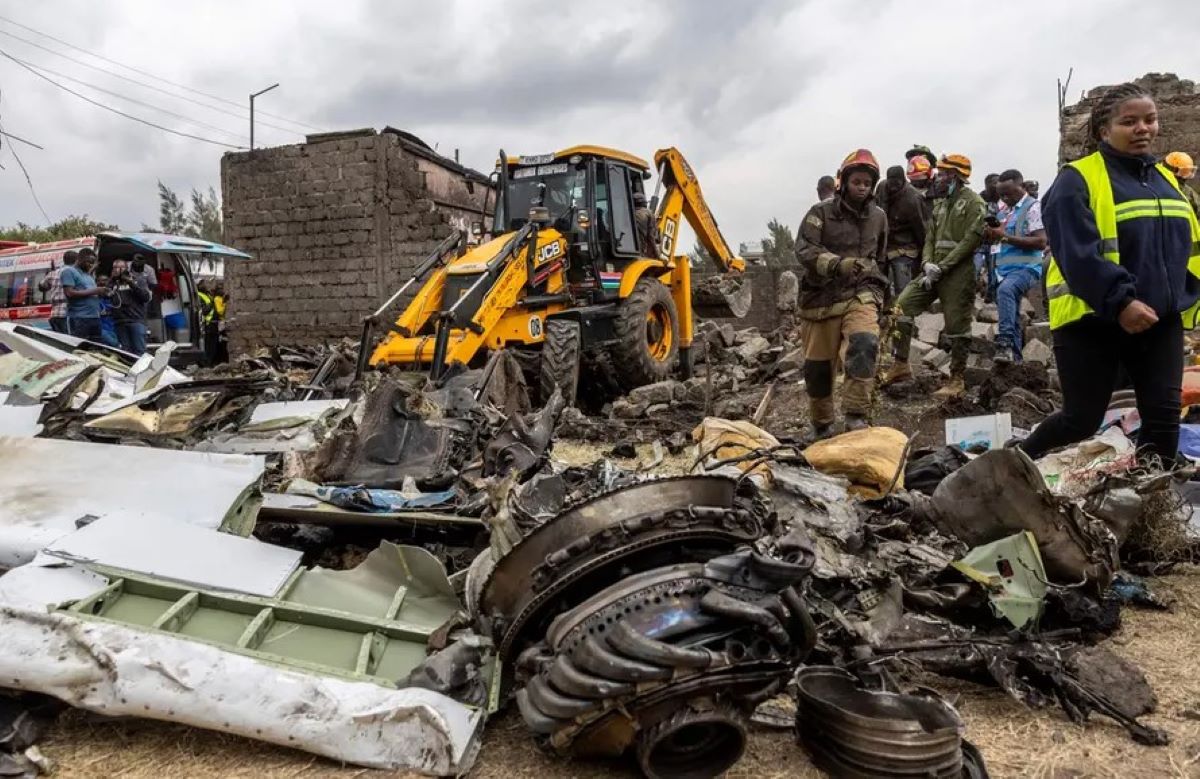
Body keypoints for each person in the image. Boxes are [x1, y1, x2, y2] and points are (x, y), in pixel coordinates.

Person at [1017, 83, 1200, 465]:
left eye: (1150, 120)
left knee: (1163, 417)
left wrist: (1186, 295)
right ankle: (1012, 462)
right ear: (1104, 130)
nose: (1143, 129)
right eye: (1129, 122)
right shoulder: (1077, 179)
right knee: (1081, 419)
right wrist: (1121, 302)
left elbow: (1188, 245)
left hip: (1160, 319)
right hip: (1094, 320)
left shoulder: (1166, 181)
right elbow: (1076, 253)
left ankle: (1150, 493)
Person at [794, 149, 888, 440]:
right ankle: (822, 425)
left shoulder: (879, 217)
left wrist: (886, 299)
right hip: (820, 299)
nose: (862, 187)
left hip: (861, 293)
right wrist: (837, 264)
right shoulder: (820, 213)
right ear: (844, 182)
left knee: (864, 343)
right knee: (818, 369)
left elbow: (881, 258)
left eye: (867, 183)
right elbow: (804, 250)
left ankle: (856, 416)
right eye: (857, 181)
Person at [884, 154, 986, 399]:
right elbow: (930, 236)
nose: (939, 178)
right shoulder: (940, 204)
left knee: (957, 325)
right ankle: (900, 364)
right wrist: (927, 263)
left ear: (956, 176)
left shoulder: (974, 203)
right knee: (901, 307)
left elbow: (970, 241)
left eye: (943, 174)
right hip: (932, 270)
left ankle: (956, 378)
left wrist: (944, 266)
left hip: (958, 273)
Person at [985, 169, 1047, 362]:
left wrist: (1005, 237)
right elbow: (1000, 241)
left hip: (1027, 268)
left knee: (1006, 290)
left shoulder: (1033, 208)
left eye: (1008, 194)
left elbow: (1041, 241)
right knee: (1011, 315)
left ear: (1021, 187)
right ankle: (1016, 364)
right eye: (1001, 195)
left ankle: (1004, 343)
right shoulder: (1004, 211)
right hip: (1003, 270)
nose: (1005, 198)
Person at [876, 165, 927, 296]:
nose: (893, 187)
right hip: (883, 245)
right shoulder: (882, 187)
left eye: (896, 183)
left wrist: (925, 256)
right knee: (878, 284)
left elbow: (921, 229)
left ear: (903, 180)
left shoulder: (913, 198)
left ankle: (903, 308)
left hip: (904, 247)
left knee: (902, 288)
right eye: (890, 183)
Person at [61, 248, 105, 341]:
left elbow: (92, 293)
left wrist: (103, 292)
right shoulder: (69, 272)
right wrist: (95, 291)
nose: (91, 265)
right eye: (89, 262)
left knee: (96, 346)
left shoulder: (88, 275)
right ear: (80, 259)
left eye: (93, 263)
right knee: (79, 346)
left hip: (94, 317)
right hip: (79, 318)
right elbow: (69, 293)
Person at [108, 259, 151, 354]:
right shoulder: (112, 283)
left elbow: (146, 297)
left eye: (121, 267)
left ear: (127, 268)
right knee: (125, 352)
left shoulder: (137, 280)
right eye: (115, 267)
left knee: (139, 350)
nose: (118, 270)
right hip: (120, 322)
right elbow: (107, 296)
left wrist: (131, 283)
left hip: (135, 320)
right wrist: (111, 279)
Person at [39, 249, 76, 333]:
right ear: (76, 260)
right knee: (69, 339)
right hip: (66, 314)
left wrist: (52, 284)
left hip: (54, 315)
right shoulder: (75, 273)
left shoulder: (54, 273)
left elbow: (41, 286)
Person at [1163, 151, 1200, 216]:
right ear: (1174, 170)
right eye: (1184, 171)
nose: (1186, 175)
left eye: (1188, 171)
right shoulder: (1188, 192)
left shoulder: (1189, 192)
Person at [632, 191, 660, 258]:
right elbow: (651, 237)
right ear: (644, 203)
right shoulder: (648, 213)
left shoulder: (626, 212)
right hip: (639, 252)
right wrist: (657, 255)